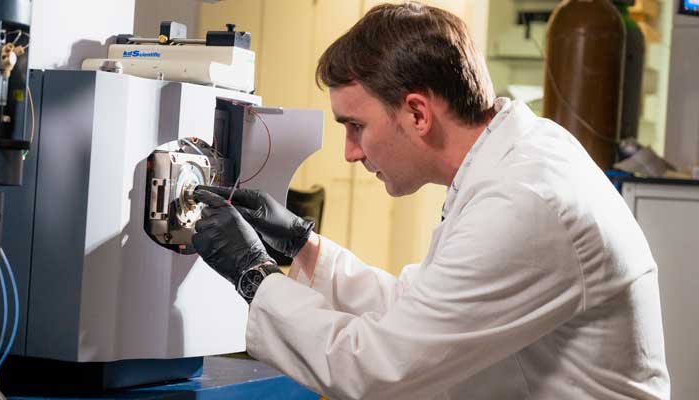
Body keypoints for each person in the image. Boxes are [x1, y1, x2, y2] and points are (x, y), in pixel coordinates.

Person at [190, 2, 670, 399]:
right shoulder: (514, 158)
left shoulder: (524, 202)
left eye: (356, 126)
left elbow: (377, 371)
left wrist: (254, 275)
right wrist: (302, 246)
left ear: (417, 113)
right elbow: (421, 311)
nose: (351, 152)